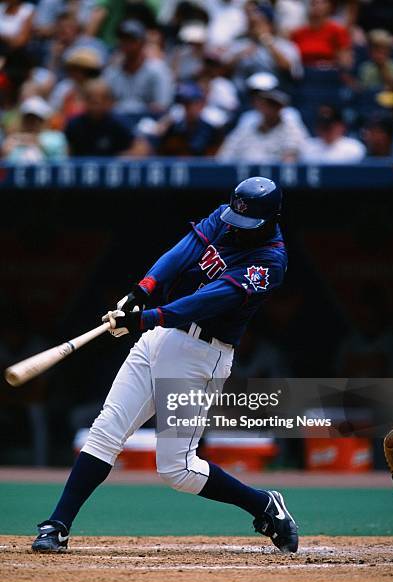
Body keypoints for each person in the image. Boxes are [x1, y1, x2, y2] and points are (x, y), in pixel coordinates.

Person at [31, 176, 298, 555]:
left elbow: (207, 301)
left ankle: (264, 504)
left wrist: (143, 319)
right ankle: (57, 525)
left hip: (200, 356)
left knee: (177, 470)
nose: (234, 228)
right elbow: (184, 250)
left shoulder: (270, 261)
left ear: (271, 218)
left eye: (245, 224)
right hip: (160, 338)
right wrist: (140, 290)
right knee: (106, 431)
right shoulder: (226, 216)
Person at [103, 19, 173, 115]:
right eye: (123, 39)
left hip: (148, 123)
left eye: (131, 40)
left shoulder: (158, 70)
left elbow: (162, 106)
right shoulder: (112, 71)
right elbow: (104, 104)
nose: (126, 44)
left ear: (142, 43)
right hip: (117, 123)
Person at [217, 87, 306, 162]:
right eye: (266, 104)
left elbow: (290, 159)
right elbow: (226, 154)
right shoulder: (248, 123)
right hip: (244, 177)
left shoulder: (290, 126)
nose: (269, 109)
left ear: (281, 107)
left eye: (274, 105)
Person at [64, 79, 142, 157]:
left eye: (102, 99)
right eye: (92, 100)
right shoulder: (74, 124)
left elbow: (141, 149)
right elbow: (66, 153)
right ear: (84, 100)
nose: (97, 104)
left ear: (110, 101)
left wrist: (118, 159)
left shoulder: (120, 123)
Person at [2, 95, 67, 162]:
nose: (31, 123)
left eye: (36, 119)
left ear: (44, 120)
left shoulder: (56, 138)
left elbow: (58, 159)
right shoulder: (12, 140)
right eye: (28, 118)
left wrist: (35, 142)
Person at [291, 0, 352, 69]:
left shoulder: (337, 30)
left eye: (322, 2)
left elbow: (346, 61)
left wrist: (333, 63)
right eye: (314, 3)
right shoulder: (299, 32)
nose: (318, 6)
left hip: (328, 72)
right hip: (303, 74)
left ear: (329, 6)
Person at [300, 105, 366, 163]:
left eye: (330, 126)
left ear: (341, 126)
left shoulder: (355, 148)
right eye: (323, 126)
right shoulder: (306, 147)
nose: (326, 130)